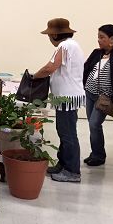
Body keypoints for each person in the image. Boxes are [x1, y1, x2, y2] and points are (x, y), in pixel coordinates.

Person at [34, 18, 85, 183]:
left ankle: (72, 171)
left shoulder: (65, 46)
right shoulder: (72, 45)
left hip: (67, 97)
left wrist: (33, 77)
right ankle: (62, 164)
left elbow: (50, 67)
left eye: (50, 35)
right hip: (67, 97)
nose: (49, 38)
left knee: (68, 134)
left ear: (55, 34)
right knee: (65, 132)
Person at [83, 24, 113, 166]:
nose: (98, 40)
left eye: (102, 37)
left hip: (105, 97)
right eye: (98, 36)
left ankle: (99, 156)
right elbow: (86, 68)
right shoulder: (96, 53)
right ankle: (95, 153)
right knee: (93, 125)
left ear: (111, 38)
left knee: (94, 124)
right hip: (90, 93)